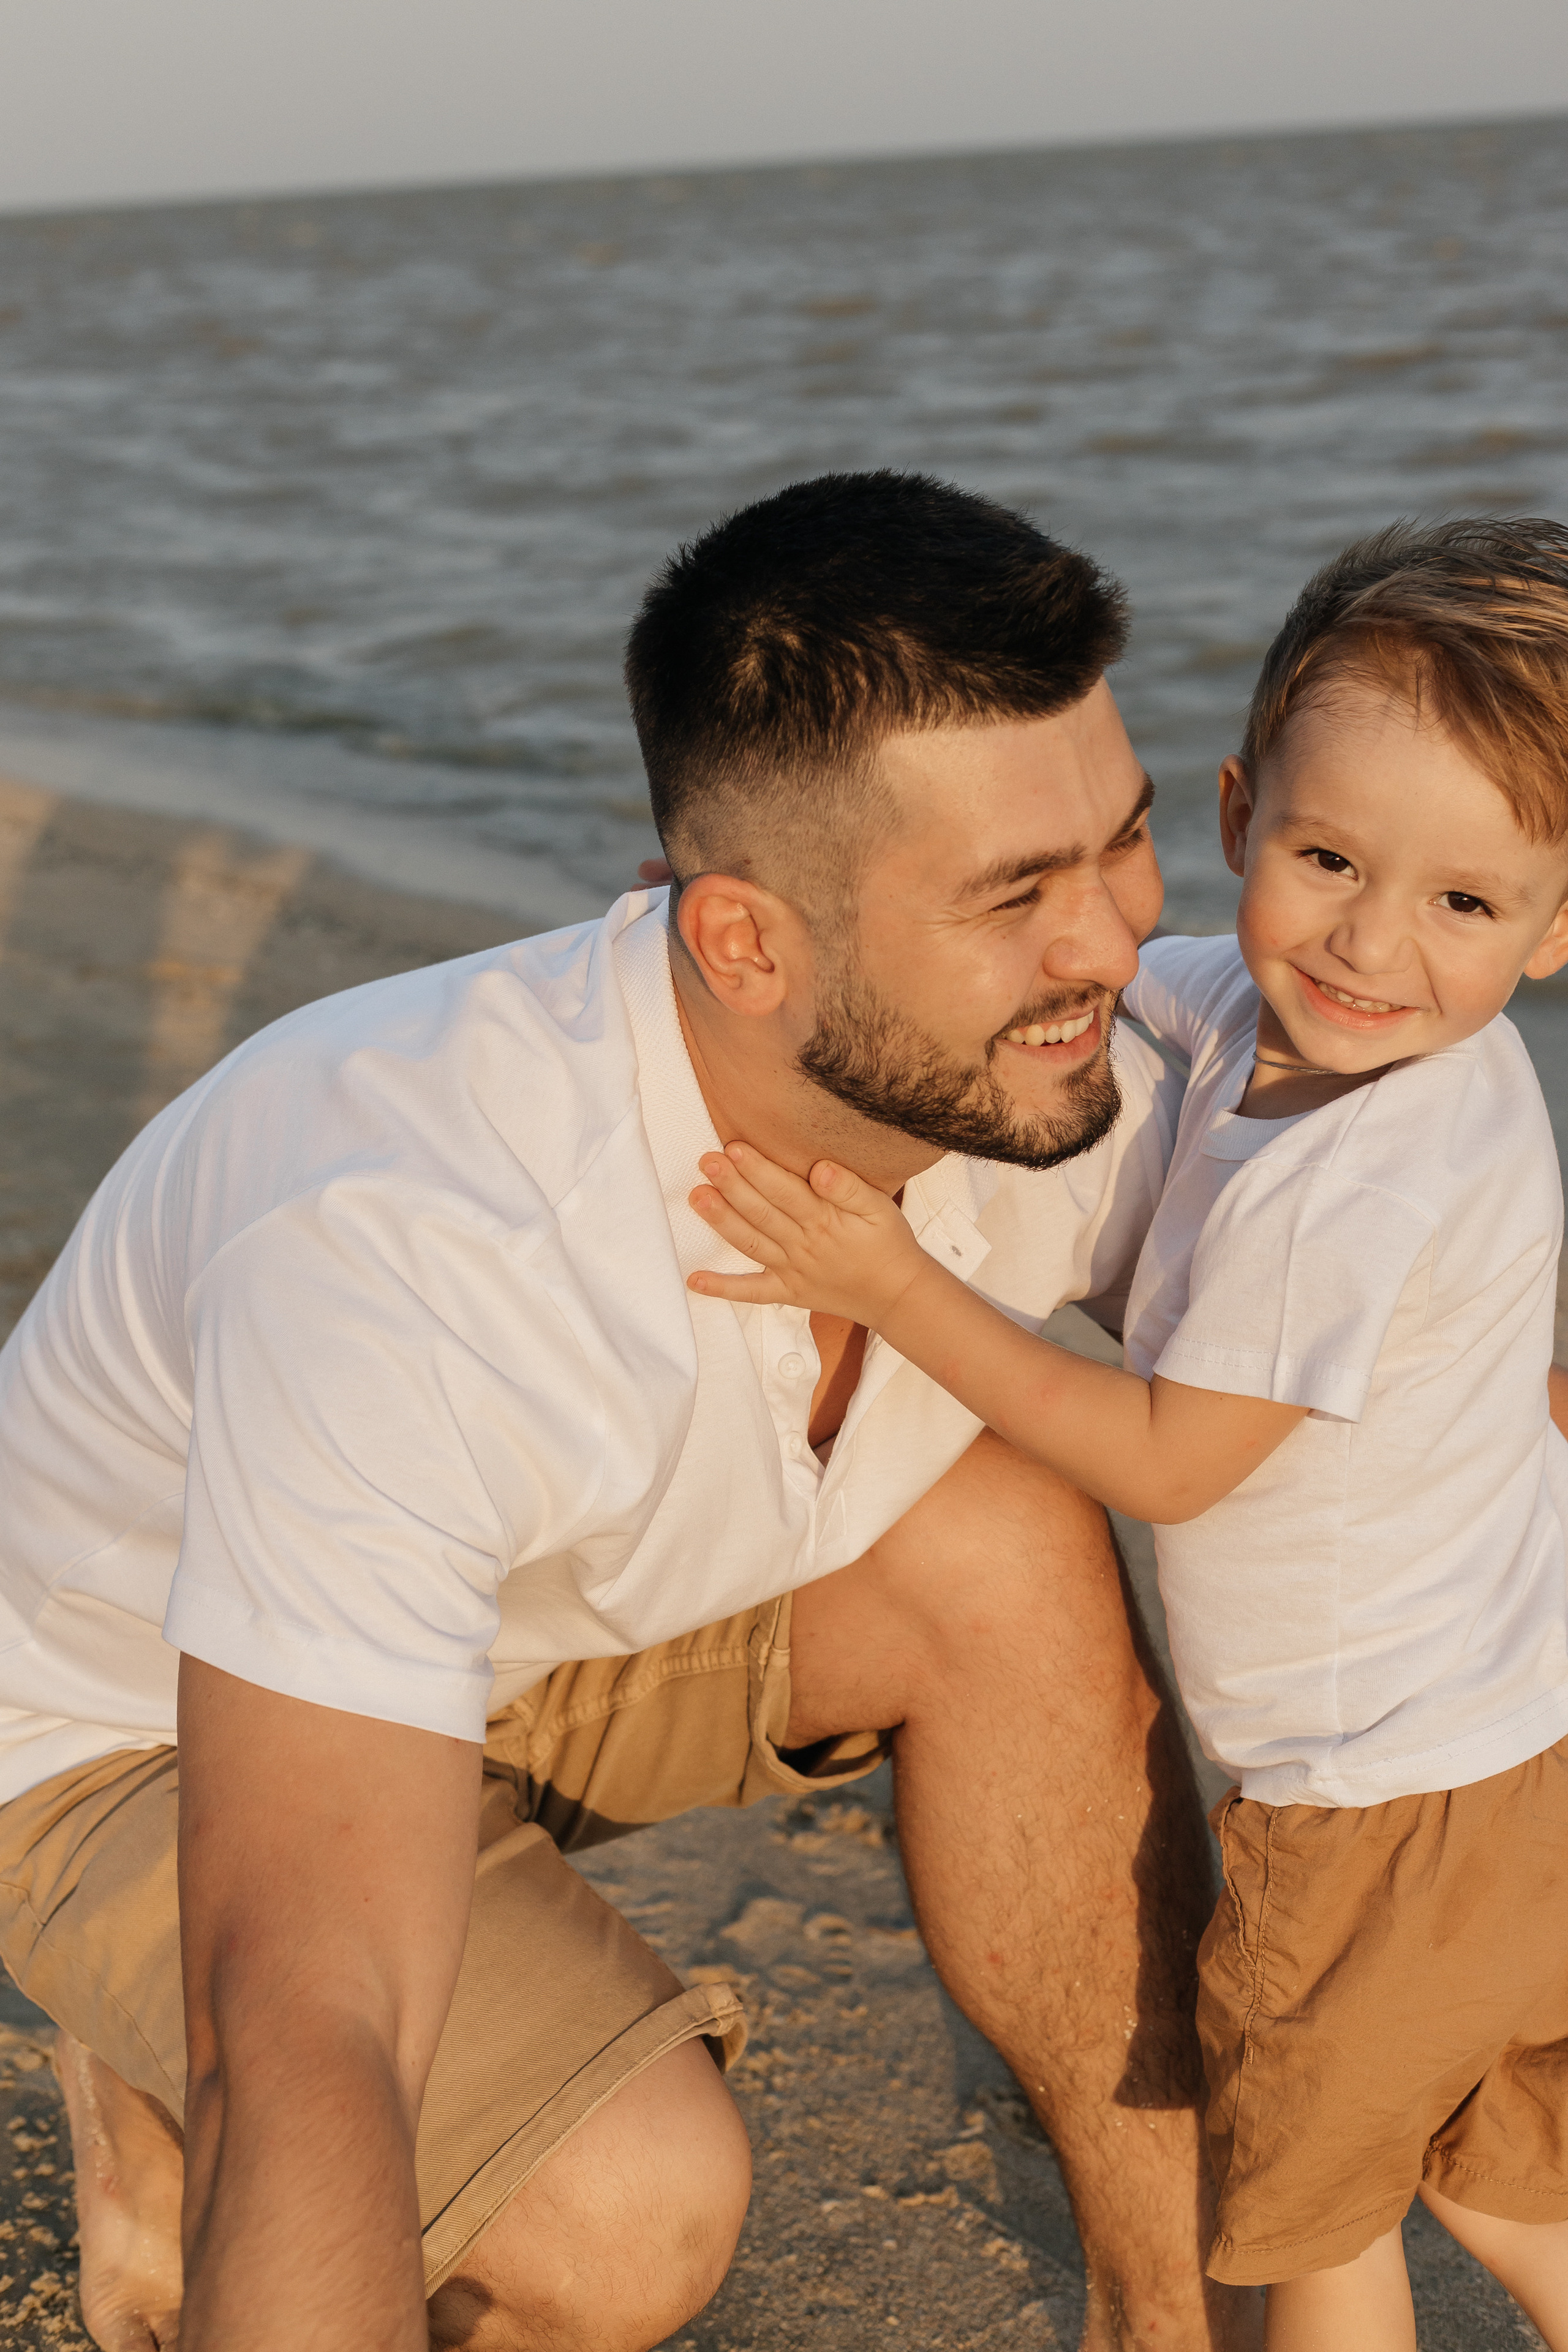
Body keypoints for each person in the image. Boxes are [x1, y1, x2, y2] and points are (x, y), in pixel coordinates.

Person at [0, 472, 1263, 2352]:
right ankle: (152, 2061)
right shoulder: (414, 1250)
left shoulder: (1049, 1064)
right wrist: (261, 2061)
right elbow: (318, 2014)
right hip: (151, 1729)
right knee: (629, 2215)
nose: (1112, 945)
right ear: (745, 943)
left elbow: (1420, 1360)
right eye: (1019, 896)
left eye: (1126, 845)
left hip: (550, 1629)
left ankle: (1175, 2331)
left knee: (1006, 1529)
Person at [685, 516, 1568, 2351]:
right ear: (1241, 816)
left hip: (1369, 1804)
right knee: (1504, 2173)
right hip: (1513, 1762)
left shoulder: (1355, 1172)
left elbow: (1169, 1463)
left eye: (1465, 906)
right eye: (1331, 860)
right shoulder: (1294, 1020)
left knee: (1311, 2221)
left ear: (1558, 931)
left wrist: (899, 1279)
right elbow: (1100, 984)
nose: (1372, 947)